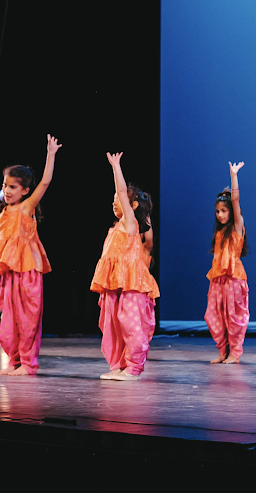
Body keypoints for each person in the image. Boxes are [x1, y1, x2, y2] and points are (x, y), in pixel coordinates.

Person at [0, 134, 61, 376]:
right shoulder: (2, 211)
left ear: (26, 191)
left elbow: (46, 182)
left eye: (13, 187)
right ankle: (14, 361)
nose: (7, 191)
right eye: (5, 185)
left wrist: (50, 154)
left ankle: (28, 364)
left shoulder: (26, 207)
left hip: (27, 269)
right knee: (9, 318)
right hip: (9, 271)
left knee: (28, 318)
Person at [91, 152, 159, 381]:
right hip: (114, 282)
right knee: (112, 324)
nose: (114, 203)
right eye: (113, 200)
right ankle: (118, 365)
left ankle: (133, 368)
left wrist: (116, 167)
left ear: (133, 205)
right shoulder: (116, 227)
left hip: (131, 283)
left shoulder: (130, 223)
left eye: (118, 200)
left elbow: (121, 191)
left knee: (130, 324)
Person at [205, 161, 249, 364]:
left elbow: (236, 200)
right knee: (213, 315)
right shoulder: (219, 232)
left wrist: (234, 176)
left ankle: (235, 353)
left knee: (234, 316)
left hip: (233, 278)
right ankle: (222, 351)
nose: (221, 214)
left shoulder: (237, 228)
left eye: (224, 210)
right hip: (218, 278)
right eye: (217, 211)